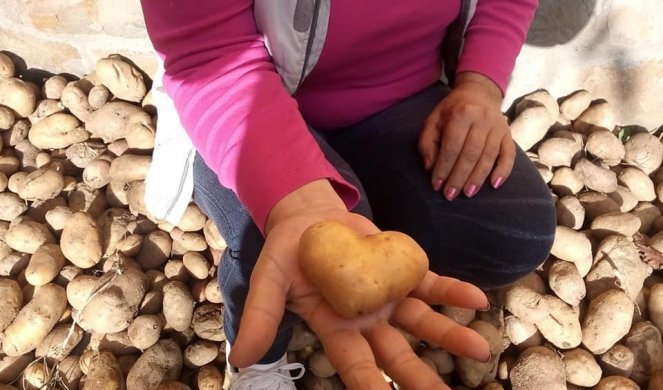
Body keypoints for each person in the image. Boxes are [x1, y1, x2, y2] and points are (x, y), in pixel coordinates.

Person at [140, 1, 556, 389]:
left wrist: (481, 83)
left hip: (402, 97)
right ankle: (259, 362)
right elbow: (210, 55)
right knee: (281, 240)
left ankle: (358, 200)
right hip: (250, 101)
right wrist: (297, 199)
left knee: (515, 235)